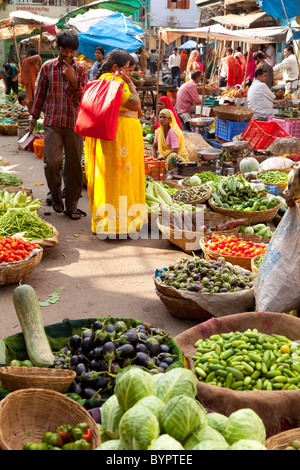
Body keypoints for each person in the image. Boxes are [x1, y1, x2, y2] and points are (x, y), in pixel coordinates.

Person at [27, 31, 88, 220]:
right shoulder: (47, 68)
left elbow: (84, 98)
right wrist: (32, 118)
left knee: (74, 167)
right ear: (58, 48)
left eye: (72, 52)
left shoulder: (82, 70)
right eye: (65, 50)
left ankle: (72, 206)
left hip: (74, 124)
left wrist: (73, 79)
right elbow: (40, 96)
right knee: (51, 163)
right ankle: (55, 196)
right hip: (52, 123)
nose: (69, 55)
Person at [84, 50, 146, 237]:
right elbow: (135, 105)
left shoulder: (98, 81)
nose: (129, 73)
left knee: (106, 177)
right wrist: (129, 83)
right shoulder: (118, 82)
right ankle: (121, 225)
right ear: (115, 68)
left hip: (105, 136)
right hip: (120, 135)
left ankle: (103, 221)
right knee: (122, 177)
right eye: (127, 69)